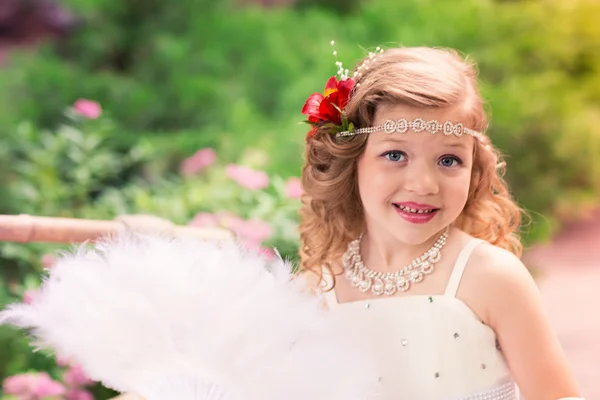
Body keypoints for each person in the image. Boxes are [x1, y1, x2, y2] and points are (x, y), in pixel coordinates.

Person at [298, 44, 583, 400]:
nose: (423, 184)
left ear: (474, 168)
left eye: (448, 160)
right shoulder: (317, 288)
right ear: (352, 161)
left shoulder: (491, 278)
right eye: (395, 155)